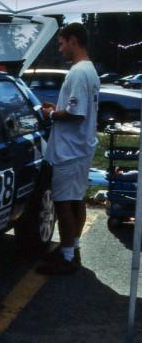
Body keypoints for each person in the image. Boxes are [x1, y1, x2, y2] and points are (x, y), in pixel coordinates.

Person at [37, 22, 100, 275]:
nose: (60, 49)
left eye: (61, 43)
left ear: (73, 40)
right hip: (81, 148)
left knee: (63, 203)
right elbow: (77, 108)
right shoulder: (90, 70)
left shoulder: (77, 72)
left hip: (70, 151)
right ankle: (72, 249)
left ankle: (65, 258)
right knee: (76, 199)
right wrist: (59, 107)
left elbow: (76, 113)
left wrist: (51, 114)